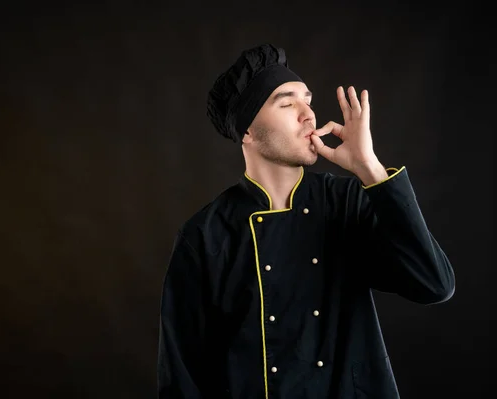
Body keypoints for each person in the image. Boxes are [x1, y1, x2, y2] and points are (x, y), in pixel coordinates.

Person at [156, 43, 455, 399]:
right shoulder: (205, 236)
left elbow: (434, 284)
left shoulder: (347, 203)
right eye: (287, 103)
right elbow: (182, 377)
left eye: (307, 100)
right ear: (248, 131)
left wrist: (371, 170)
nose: (308, 114)